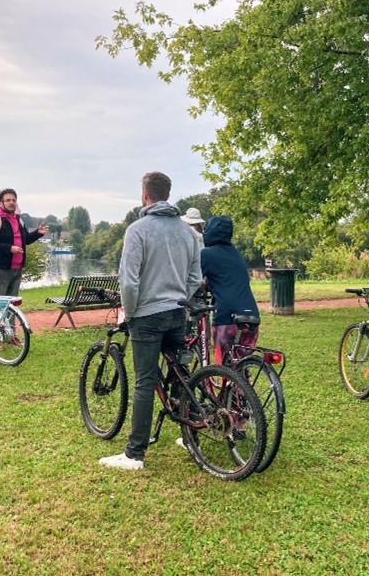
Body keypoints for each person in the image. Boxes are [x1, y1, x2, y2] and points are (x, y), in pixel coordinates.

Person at [99, 172, 202, 471]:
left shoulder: (137, 230)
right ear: (168, 194)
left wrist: (129, 312)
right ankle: (189, 432)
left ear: (145, 195)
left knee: (145, 381)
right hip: (178, 312)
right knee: (181, 373)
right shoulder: (188, 233)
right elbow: (195, 277)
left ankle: (134, 454)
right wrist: (178, 297)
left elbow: (129, 280)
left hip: (147, 314)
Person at [0, 188, 48, 346]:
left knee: (11, 305)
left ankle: (10, 335)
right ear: (0, 202)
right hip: (0, 269)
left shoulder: (18, 220)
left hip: (17, 268)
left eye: (13, 200)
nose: (11, 203)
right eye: (8, 200)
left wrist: (38, 233)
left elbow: (25, 240)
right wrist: (9, 248)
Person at [201, 216, 259, 364]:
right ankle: (243, 387)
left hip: (226, 315)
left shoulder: (206, 254)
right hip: (251, 314)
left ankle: (231, 384)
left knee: (225, 368)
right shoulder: (237, 254)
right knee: (240, 366)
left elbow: (193, 281)